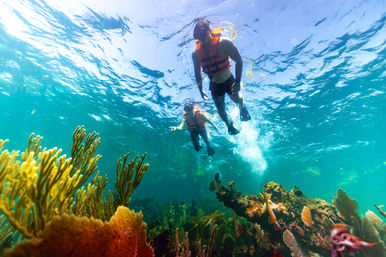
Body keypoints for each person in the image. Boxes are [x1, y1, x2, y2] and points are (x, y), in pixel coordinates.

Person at [192, 18, 251, 136]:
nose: (202, 37)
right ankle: (229, 125)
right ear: (196, 36)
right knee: (220, 109)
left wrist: (238, 81)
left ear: (210, 30)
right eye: (199, 35)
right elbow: (197, 74)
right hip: (215, 84)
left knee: (237, 100)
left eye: (204, 33)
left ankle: (242, 108)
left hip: (228, 79)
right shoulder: (196, 54)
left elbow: (238, 60)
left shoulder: (224, 43)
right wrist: (200, 90)